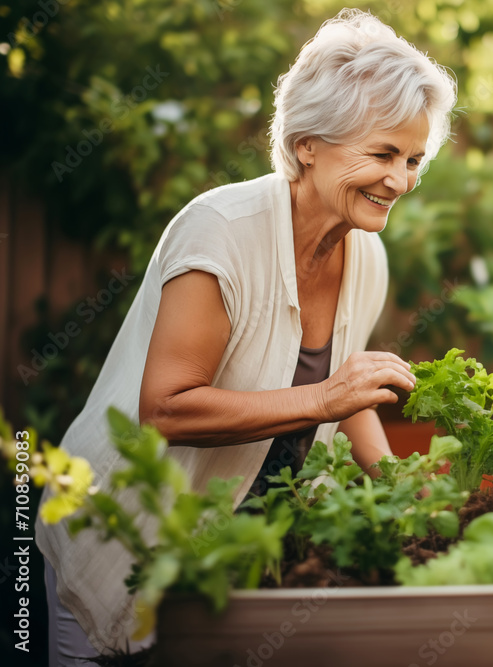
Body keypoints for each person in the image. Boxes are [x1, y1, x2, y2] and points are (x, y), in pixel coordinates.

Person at [36, 9, 457, 665]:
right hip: (122, 535)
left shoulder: (365, 254)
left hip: (227, 559)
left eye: (412, 160)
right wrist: (324, 398)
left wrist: (407, 488)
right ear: (308, 143)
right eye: (381, 154)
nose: (400, 180)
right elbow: (166, 409)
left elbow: (345, 398)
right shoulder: (221, 231)